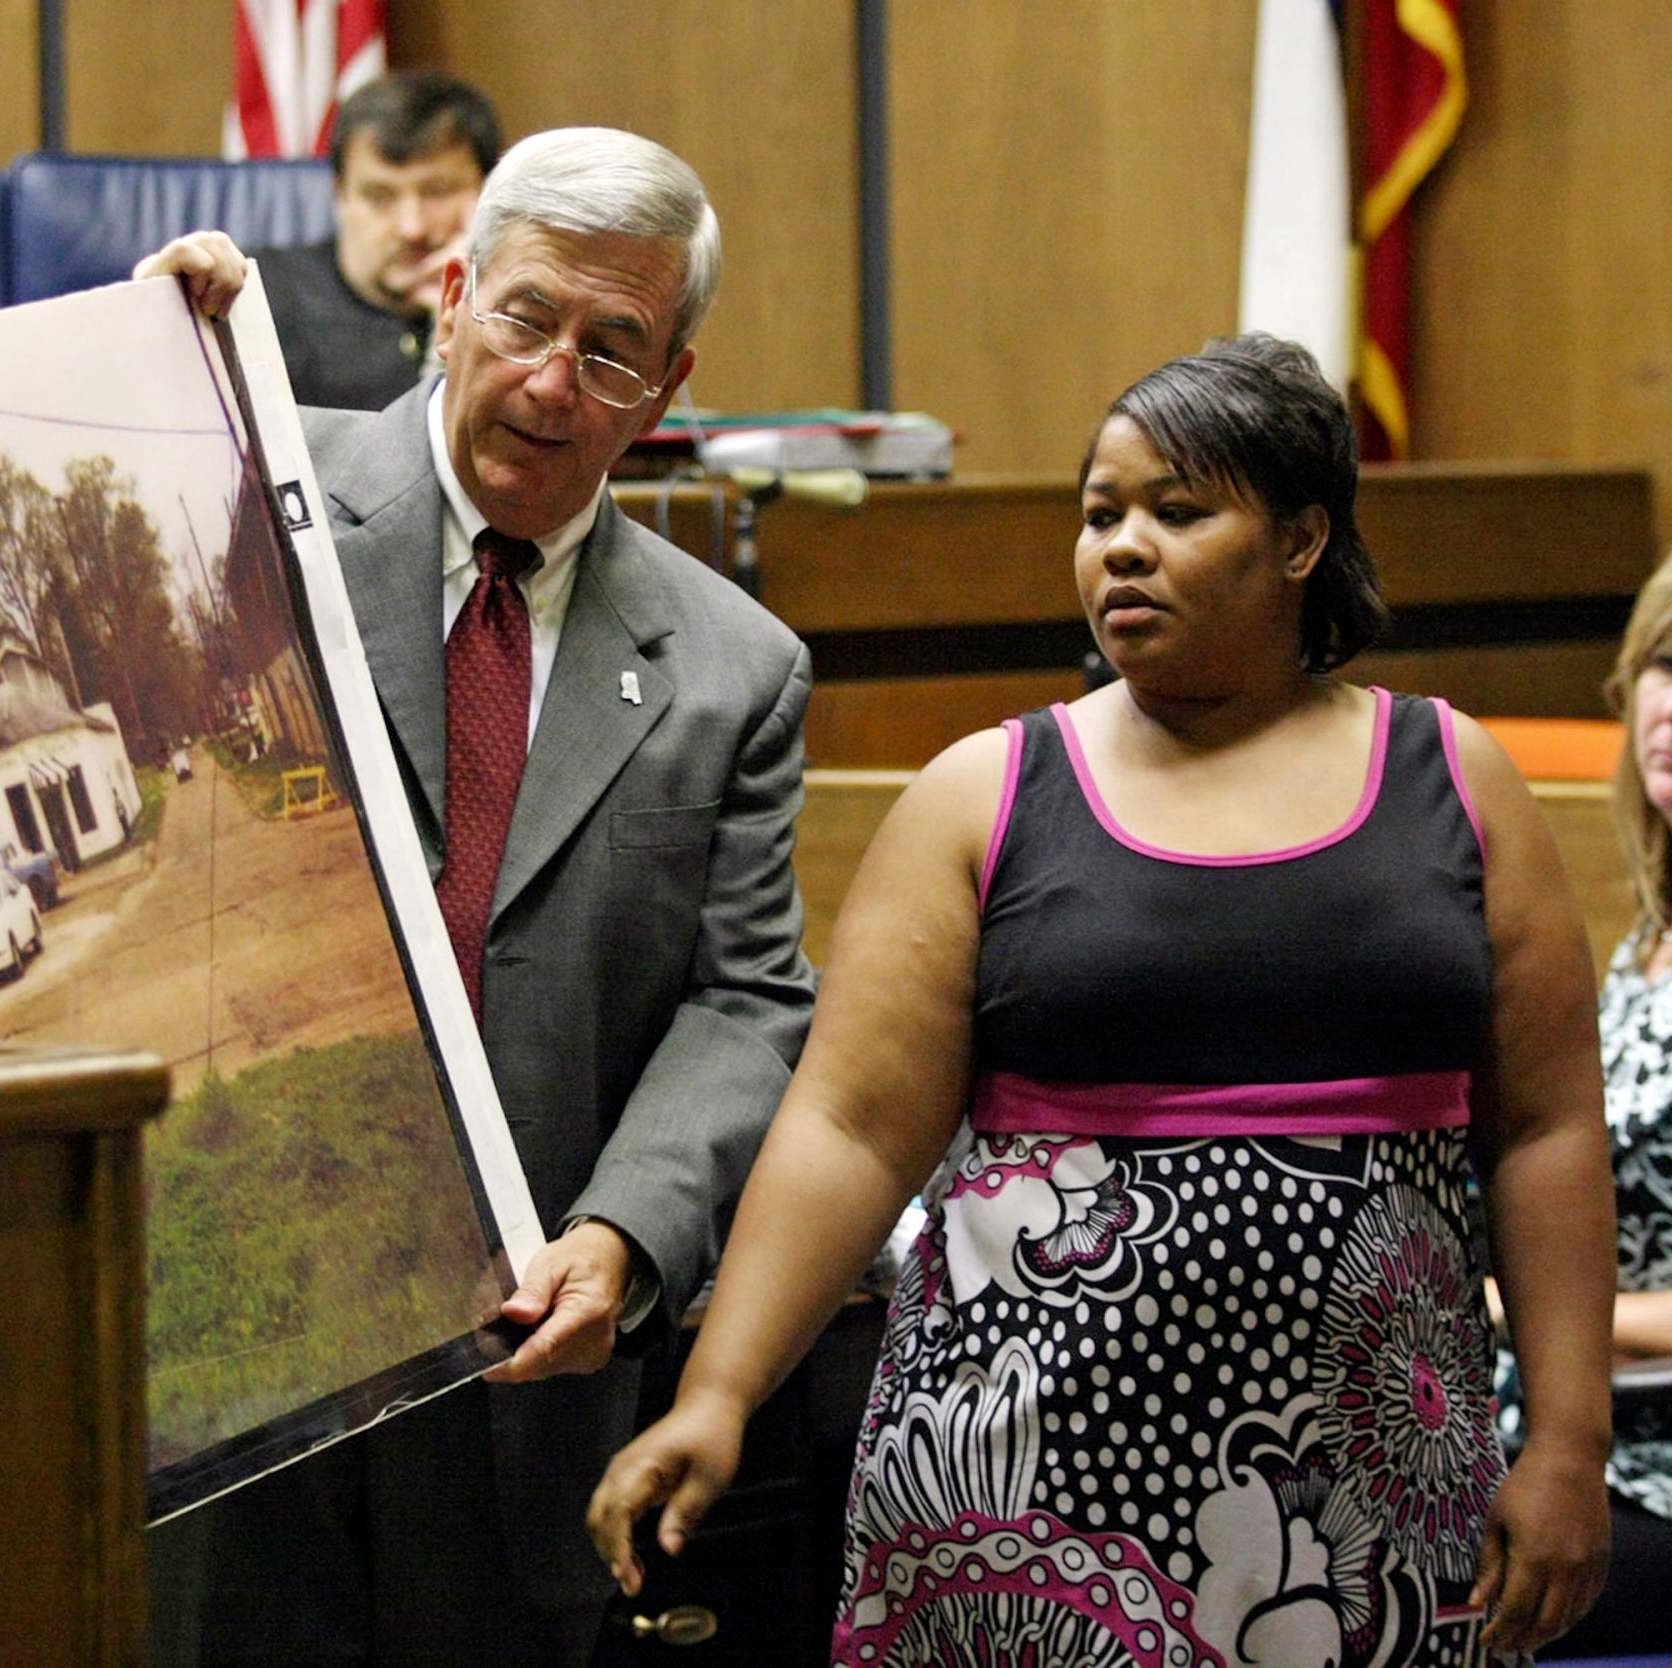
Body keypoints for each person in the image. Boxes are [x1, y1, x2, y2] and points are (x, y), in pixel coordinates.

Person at [589, 334, 1618, 1664]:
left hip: (1371, 1503)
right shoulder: (983, 793)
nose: (1120, 548)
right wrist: (718, 1394)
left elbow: (1545, 1132)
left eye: (1176, 513)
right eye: (1099, 515)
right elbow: (847, 1129)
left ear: (1303, 541)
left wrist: (1571, 1441)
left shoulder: (1454, 777)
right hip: (1024, 1495)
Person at [136, 126, 816, 1666]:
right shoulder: (250, 479)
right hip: (238, 1347)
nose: (554, 384)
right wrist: (149, 364)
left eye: (615, 349)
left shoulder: (735, 671)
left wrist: (630, 1236)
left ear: (673, 383)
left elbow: (749, 995)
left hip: (521, 1373)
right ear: (452, 296)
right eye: (523, 318)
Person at [1489, 550, 1672, 1658]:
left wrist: (1521, 1309)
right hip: (1556, 1430)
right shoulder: (1644, 937)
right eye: (1659, 662)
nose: (1670, 702)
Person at [251, 69, 500, 411]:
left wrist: (473, 314)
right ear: (340, 196)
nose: (412, 228)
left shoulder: (517, 316)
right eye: (380, 196)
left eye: (438, 192)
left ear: (490, 190)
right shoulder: (259, 298)